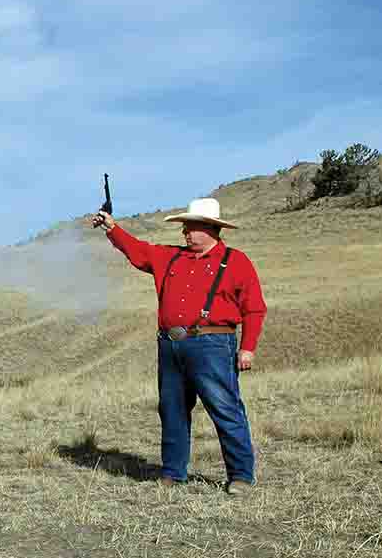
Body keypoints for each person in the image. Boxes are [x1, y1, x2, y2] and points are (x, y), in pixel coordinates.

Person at [86, 198, 267, 495]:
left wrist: (247, 348)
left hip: (213, 344)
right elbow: (137, 250)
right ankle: (172, 472)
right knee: (171, 409)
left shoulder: (236, 261)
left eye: (191, 227)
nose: (185, 233)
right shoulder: (169, 257)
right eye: (185, 227)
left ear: (211, 229)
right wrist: (112, 228)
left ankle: (241, 476)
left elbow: (255, 309)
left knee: (225, 408)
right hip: (170, 345)